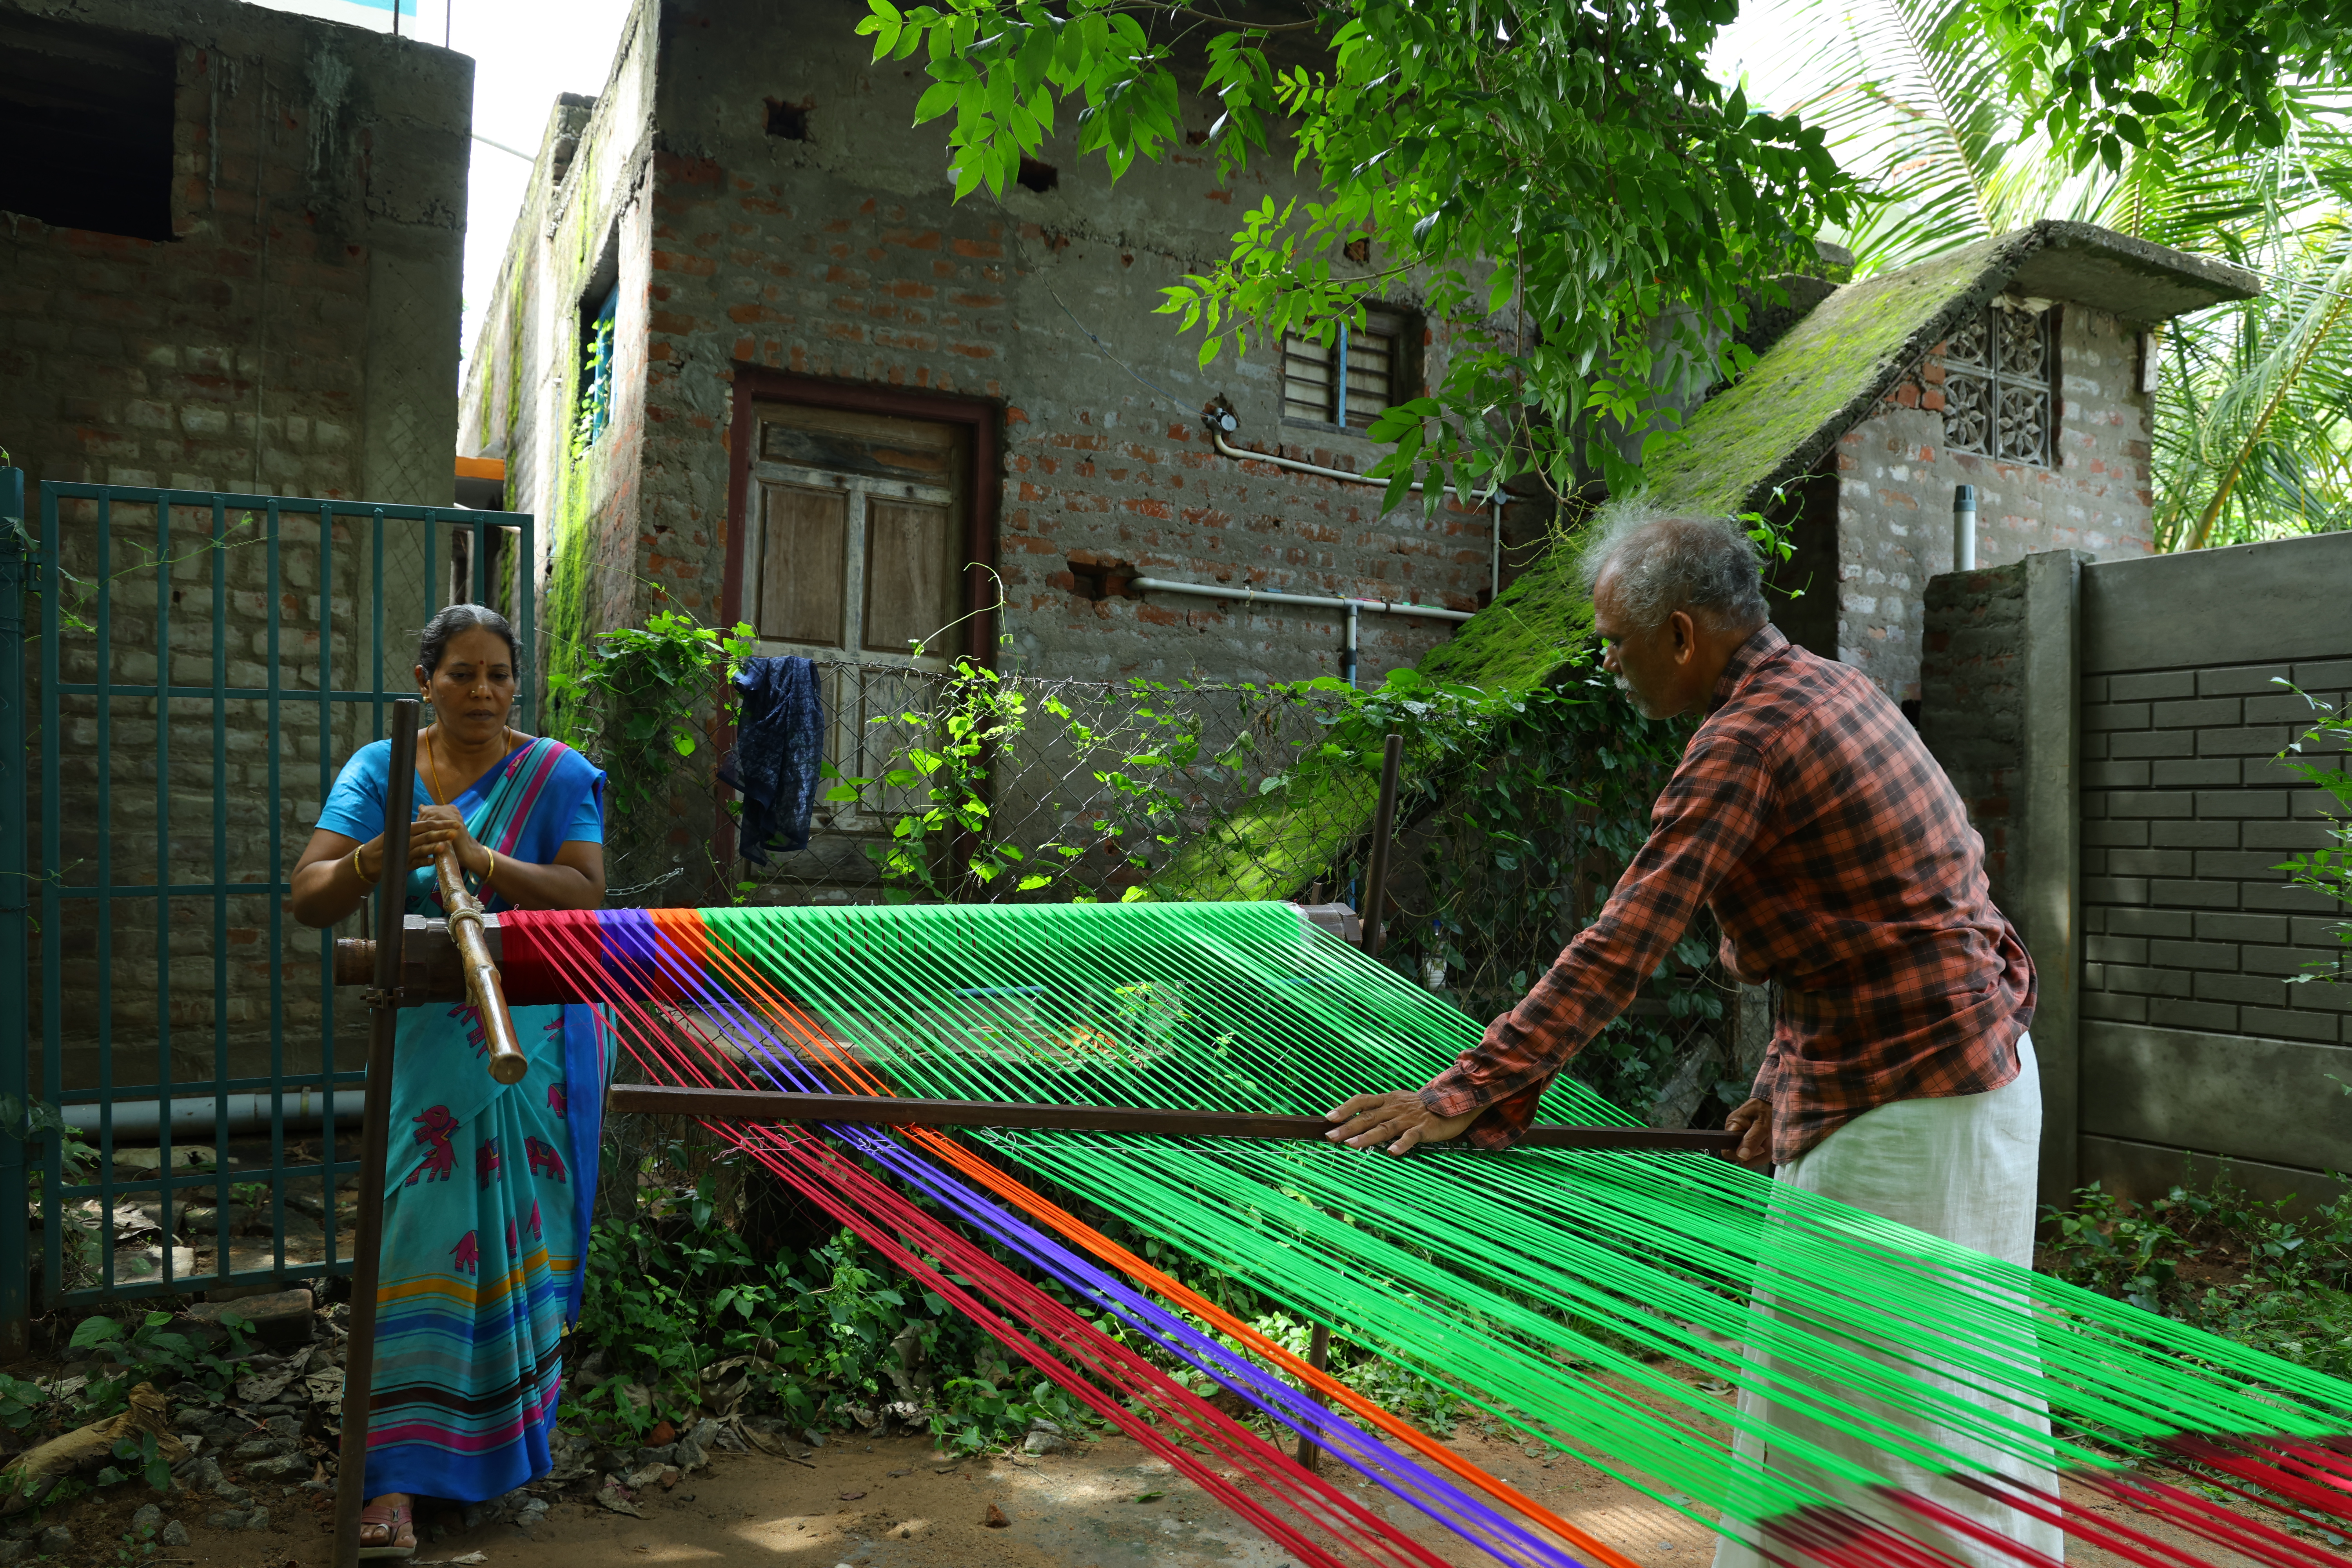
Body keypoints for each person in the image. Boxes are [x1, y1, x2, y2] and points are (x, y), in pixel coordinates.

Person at [1321, 503, 2060, 1566]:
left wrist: (1465, 1089)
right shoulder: (1827, 688)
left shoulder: (1750, 737)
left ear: (1681, 638)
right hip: (1957, 1082)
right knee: (1942, 1398)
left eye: (1617, 643)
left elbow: (1627, 937)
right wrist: (1779, 1087)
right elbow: (1861, 927)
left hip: (1916, 1105)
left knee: (1888, 1433)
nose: (1608, 663)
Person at [291, 604, 610, 1561]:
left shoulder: (554, 773)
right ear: (425, 677)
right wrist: (372, 858)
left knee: (522, 1240)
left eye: (499, 674)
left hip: (539, 1045)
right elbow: (310, 896)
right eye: (462, 672)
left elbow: (589, 895)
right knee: (415, 1236)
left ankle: (497, 1449)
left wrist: (483, 858)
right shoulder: (382, 770)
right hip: (428, 1045)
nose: (482, 691)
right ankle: (393, 1478)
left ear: (517, 684)